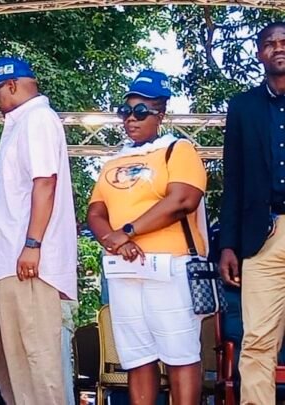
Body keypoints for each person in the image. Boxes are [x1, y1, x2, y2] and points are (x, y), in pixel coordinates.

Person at [87, 70, 207, 405]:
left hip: (170, 265)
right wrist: (114, 241)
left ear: (161, 114)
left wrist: (128, 232)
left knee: (180, 353)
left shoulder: (177, 149)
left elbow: (182, 200)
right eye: (125, 111)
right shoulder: (114, 160)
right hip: (124, 268)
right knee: (137, 356)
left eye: (141, 111)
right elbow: (95, 212)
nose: (130, 118)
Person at [0, 57, 78, 405]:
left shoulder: (37, 119)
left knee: (37, 362)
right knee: (14, 366)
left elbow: (45, 183)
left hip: (26, 263)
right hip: (9, 262)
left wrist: (32, 244)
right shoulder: (21, 123)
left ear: (12, 85)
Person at [218, 21, 285, 405]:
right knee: (257, 340)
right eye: (269, 43)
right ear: (260, 54)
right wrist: (228, 243)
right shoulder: (243, 106)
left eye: (284, 41)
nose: (278, 48)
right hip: (263, 235)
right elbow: (234, 179)